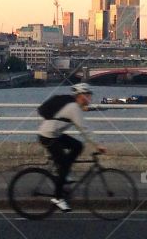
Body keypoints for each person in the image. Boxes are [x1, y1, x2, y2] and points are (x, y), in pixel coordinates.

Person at [37, 82, 106, 212]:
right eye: (88, 95)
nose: (90, 98)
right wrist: (98, 145)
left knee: (77, 146)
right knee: (63, 167)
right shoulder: (74, 108)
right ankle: (58, 198)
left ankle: (64, 172)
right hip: (48, 137)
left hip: (54, 134)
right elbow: (84, 129)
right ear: (81, 96)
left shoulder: (74, 106)